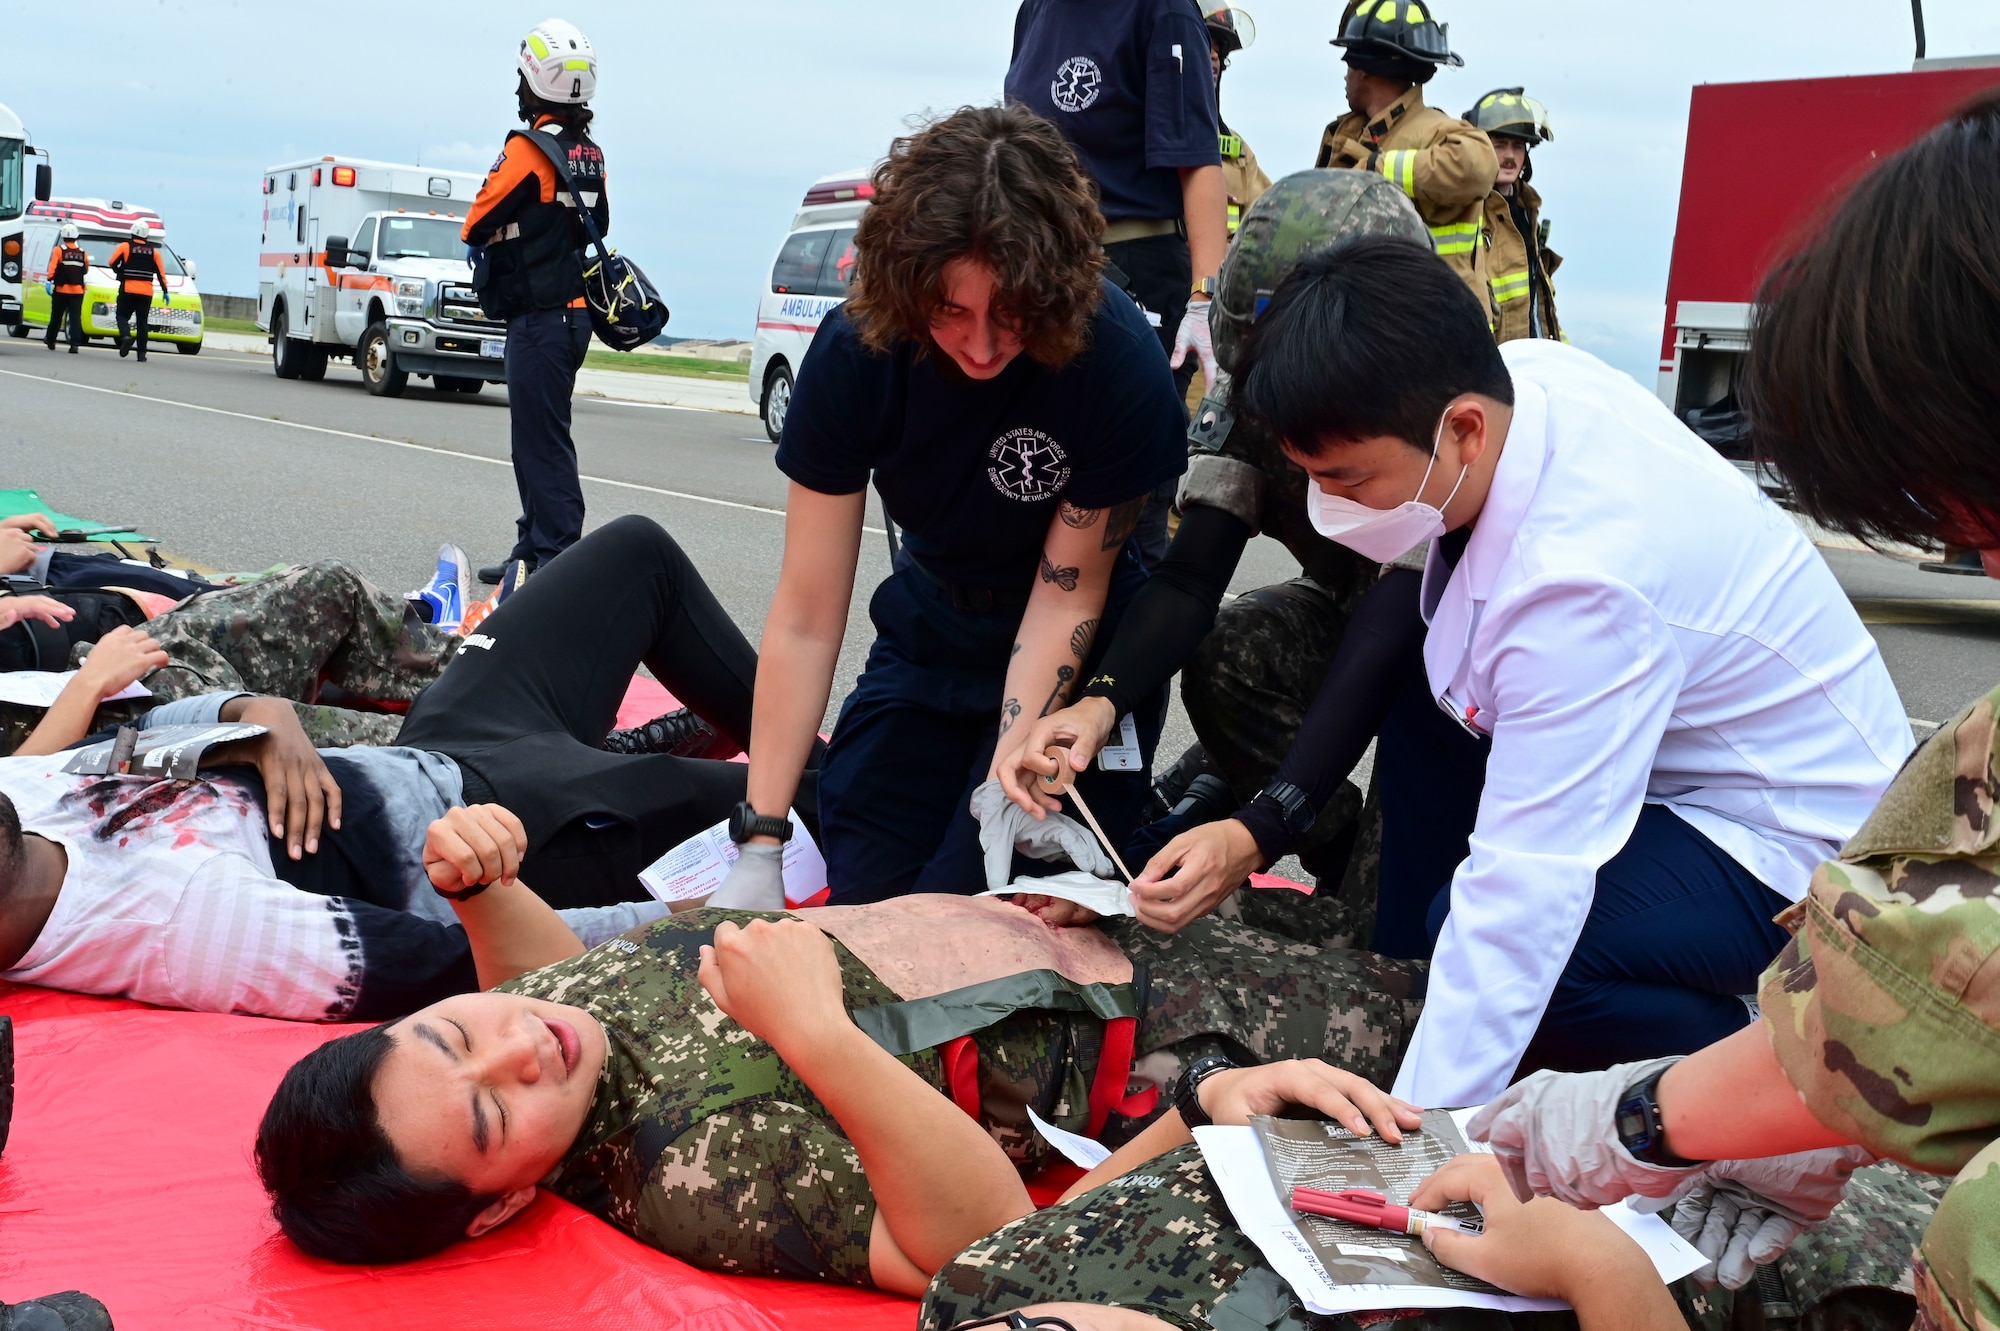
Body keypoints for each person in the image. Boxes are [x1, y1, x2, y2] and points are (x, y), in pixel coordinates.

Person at [1139, 235, 1907, 1109]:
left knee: (1541, 965)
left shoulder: (1579, 592)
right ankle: (1407, 986)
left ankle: (1789, 1061)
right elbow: (1422, 628)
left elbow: (1523, 900)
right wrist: (1271, 820)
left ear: (1462, 428)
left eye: (1347, 478)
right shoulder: (1517, 378)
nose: (1328, 506)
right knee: (1436, 703)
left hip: (1792, 836)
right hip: (1686, 749)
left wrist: (1420, 1133)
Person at [1464, 90, 2000, 1331]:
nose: (1967, 541)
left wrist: (1642, 1116)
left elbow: (1951, 992)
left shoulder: (1585, 560)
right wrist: (1808, 1116)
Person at [255, 872, 1427, 1286]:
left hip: (1065, 926)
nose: (518, 1045)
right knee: (1448, 999)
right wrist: (818, 1036)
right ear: (506, 1196)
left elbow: (559, 986)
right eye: (488, 1110)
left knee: (1371, 908)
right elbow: (977, 1244)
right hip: (1151, 1028)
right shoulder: (700, 1173)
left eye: (455, 1030)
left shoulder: (553, 1022)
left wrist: (485, 895)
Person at [0, 516, 787, 1019]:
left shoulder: (19, 793)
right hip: (519, 834)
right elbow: (456, 961)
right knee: (834, 811)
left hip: (443, 741)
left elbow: (131, 743)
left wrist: (249, 714)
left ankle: (781, 754)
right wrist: (701, 919)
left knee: (634, 554)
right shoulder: (180, 927)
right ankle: (751, 775)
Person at [722, 105, 1187, 909]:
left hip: (1071, 640)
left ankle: (1126, 826)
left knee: (970, 904)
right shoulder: (856, 352)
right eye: (950, 311)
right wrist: (761, 840)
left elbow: (1068, 591)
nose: (979, 346)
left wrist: (1009, 772)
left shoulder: (1113, 357)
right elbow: (806, 611)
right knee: (869, 885)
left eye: (1009, 315)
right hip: (933, 627)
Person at [995, 170, 1428, 910]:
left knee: (1390, 939)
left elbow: (1396, 633)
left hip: (1460, 674)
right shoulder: (1266, 378)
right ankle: (1342, 851)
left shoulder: (1432, 404)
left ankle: (1366, 884)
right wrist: (1099, 704)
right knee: (1234, 649)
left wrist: (1260, 824)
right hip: (1356, 611)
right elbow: (1193, 576)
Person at [1005, 0, 1230, 396]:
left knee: (1132, 437)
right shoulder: (1034, 10)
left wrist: (1204, 298)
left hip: (1134, 270)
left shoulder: (1163, 10)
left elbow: (1197, 161)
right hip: (1042, 269)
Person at [462, 19, 608, 585]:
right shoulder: (589, 154)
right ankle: (532, 547)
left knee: (542, 442)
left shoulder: (527, 151)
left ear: (532, 85)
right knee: (535, 437)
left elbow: (476, 221)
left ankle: (557, 556)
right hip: (570, 317)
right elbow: (597, 221)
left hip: (542, 320)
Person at [1315, 0, 1497, 312]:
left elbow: (1479, 167)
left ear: (1365, 70)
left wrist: (1379, 168)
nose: (1346, 77)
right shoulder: (1345, 136)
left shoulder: (1437, 132)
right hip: (1365, 324)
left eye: (1349, 64)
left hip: (1434, 327)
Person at [1464, 88, 1561, 343]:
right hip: (1489, 361)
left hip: (1529, 360)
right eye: (1500, 145)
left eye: (1518, 146)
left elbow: (1538, 303)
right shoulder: (1465, 207)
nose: (1510, 156)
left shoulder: (1526, 211)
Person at [1205, 6, 1271, 242]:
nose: (1214, 56)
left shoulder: (1237, 151)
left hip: (1222, 276)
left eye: (1218, 50)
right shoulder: (1141, 136)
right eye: (1204, 43)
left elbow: (1270, 220)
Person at [106, 219, 170, 361]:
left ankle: (126, 336)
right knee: (142, 323)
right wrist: (165, 291)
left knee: (122, 316)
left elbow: (112, 262)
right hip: (146, 292)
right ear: (147, 235)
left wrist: (120, 272)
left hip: (128, 288)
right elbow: (161, 273)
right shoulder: (154, 252)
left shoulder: (125, 246)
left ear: (133, 232)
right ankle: (142, 354)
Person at [43, 222, 88, 354]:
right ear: (76, 237)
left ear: (63, 236)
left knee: (56, 316)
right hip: (78, 291)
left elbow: (52, 268)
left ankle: (51, 339)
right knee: (75, 317)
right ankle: (74, 344)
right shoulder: (82, 253)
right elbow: (85, 269)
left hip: (61, 290)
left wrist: (49, 279)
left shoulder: (58, 250)